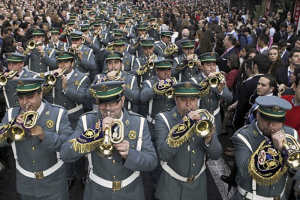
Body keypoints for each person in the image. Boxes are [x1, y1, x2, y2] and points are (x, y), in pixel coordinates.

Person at [60, 81, 157, 200]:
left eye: (113, 103)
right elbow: (65, 154)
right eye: (103, 103)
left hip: (130, 192)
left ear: (122, 100)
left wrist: (130, 154)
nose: (108, 109)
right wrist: (95, 133)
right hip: (97, 192)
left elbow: (152, 161)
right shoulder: (87, 120)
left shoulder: (139, 122)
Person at [0, 78, 73, 199]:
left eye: (30, 97)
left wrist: (45, 136)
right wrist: (10, 128)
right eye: (21, 98)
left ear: (40, 93)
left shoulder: (58, 113)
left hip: (54, 184)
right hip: (26, 184)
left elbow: (69, 145)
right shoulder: (11, 114)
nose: (25, 102)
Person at [154, 81, 223, 200]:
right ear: (176, 100)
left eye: (192, 99)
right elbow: (163, 154)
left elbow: (216, 154)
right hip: (171, 188)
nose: (188, 104)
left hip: (198, 187)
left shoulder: (206, 118)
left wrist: (208, 139)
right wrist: (184, 126)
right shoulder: (163, 119)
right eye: (183, 99)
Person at [232, 95, 300, 199]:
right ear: (258, 114)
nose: (271, 125)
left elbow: (298, 174)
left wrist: (287, 155)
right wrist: (275, 150)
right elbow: (245, 173)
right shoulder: (243, 136)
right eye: (267, 119)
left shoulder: (292, 134)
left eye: (276, 121)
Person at [191, 52, 233, 135]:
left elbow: (230, 98)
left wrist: (220, 91)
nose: (212, 68)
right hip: (200, 118)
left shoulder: (220, 78)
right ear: (202, 66)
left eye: (214, 65)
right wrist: (206, 81)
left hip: (215, 117)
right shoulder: (194, 81)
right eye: (208, 65)